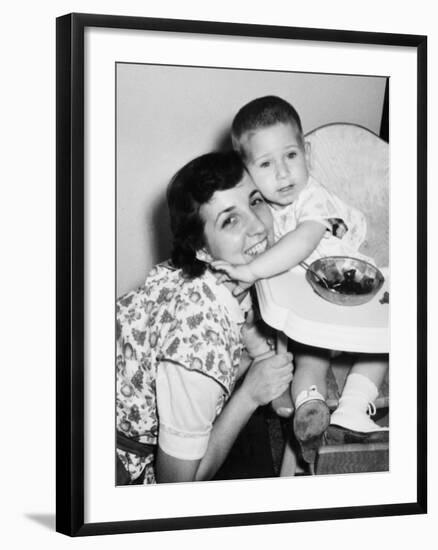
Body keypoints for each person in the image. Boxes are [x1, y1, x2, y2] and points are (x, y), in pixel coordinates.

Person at [211, 96, 388, 463]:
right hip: (311, 304)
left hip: (355, 292)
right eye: (265, 163)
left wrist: (251, 271)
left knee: (381, 346)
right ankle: (311, 408)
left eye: (291, 156)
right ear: (246, 172)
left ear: (306, 152)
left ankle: (353, 408)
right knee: (309, 352)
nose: (283, 173)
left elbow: (302, 241)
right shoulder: (259, 208)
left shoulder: (313, 197)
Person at [116, 150, 294, 484]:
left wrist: (245, 361)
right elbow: (177, 485)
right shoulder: (196, 347)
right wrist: (250, 394)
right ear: (201, 249)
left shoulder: (208, 277)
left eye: (255, 201)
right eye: (230, 220)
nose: (257, 227)